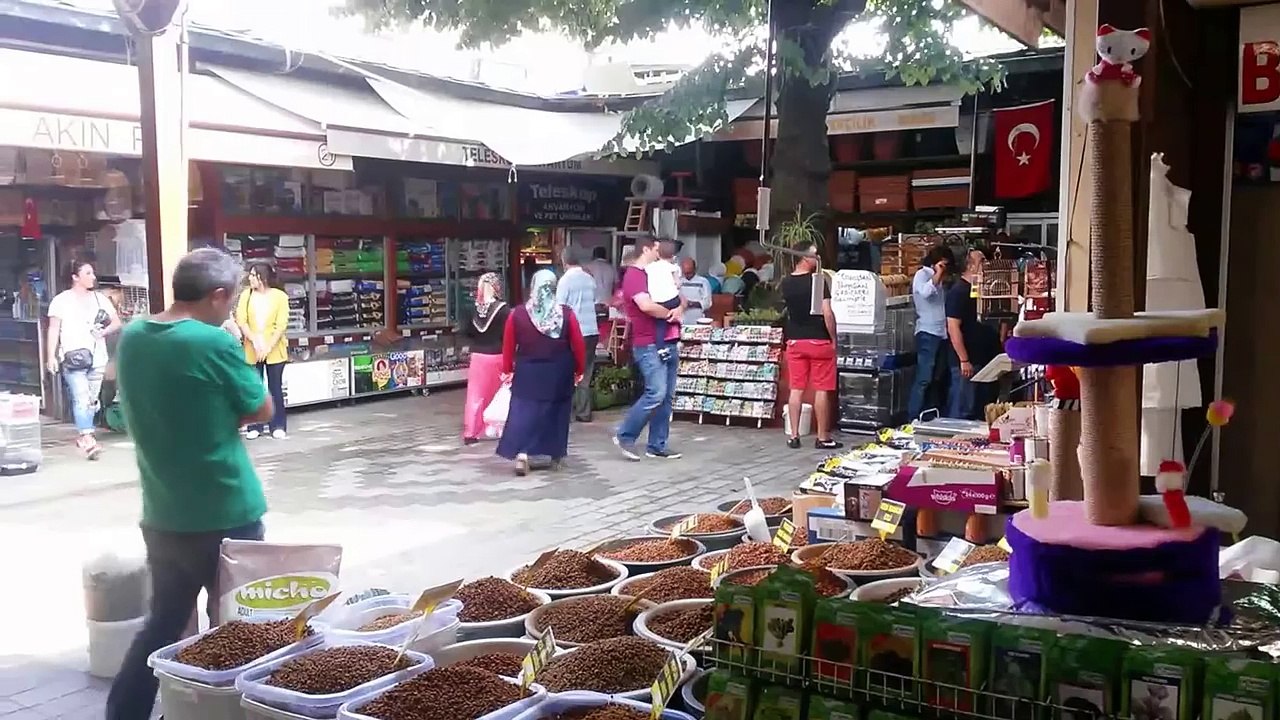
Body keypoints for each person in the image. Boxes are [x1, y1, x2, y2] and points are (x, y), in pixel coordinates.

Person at [106, 248, 273, 720]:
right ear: (218, 296)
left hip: (162, 512)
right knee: (241, 627)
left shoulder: (135, 335)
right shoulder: (210, 341)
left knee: (162, 622)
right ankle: (235, 711)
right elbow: (261, 407)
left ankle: (124, 711)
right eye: (233, 299)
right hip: (225, 509)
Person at [497, 269, 586, 476]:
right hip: (559, 371)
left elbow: (508, 345)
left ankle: (522, 454)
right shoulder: (566, 314)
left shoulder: (517, 314)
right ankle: (555, 455)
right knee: (556, 413)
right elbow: (578, 344)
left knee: (523, 412)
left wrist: (507, 369)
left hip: (528, 371)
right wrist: (579, 369)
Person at [614, 237, 682, 461]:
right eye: (655, 248)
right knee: (656, 392)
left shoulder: (655, 272)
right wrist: (670, 313)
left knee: (666, 396)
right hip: (648, 342)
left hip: (668, 339)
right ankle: (625, 435)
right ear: (645, 249)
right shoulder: (634, 275)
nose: (658, 252)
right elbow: (645, 306)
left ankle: (657, 444)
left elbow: (680, 296)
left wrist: (679, 307)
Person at [46, 257, 121, 460]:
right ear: (75, 277)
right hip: (73, 356)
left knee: (91, 401)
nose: (93, 277)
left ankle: (84, 434)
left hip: (97, 356)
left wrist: (103, 332)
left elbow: (116, 322)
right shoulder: (61, 301)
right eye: (88, 273)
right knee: (81, 397)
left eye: (92, 273)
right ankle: (87, 438)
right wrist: (50, 356)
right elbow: (53, 329)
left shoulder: (99, 299)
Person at [781, 243, 843, 451]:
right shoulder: (818, 281)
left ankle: (794, 435)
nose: (818, 258)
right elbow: (827, 312)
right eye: (815, 254)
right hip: (818, 340)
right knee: (821, 389)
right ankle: (823, 436)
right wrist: (833, 337)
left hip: (795, 341)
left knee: (796, 389)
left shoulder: (786, 282)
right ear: (804, 257)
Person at [234, 263, 290, 439]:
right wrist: (255, 343)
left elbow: (281, 324)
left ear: (263, 277)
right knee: (253, 387)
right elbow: (241, 320)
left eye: (253, 275)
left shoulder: (280, 296)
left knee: (275, 387)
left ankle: (278, 424)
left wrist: (267, 346)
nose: (250, 278)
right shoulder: (246, 296)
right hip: (252, 347)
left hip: (274, 348)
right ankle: (254, 426)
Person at [946, 248, 998, 420]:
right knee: (963, 407)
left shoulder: (982, 290)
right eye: (982, 261)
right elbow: (953, 327)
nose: (986, 264)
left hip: (983, 357)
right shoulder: (959, 291)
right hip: (968, 360)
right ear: (970, 266)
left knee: (978, 408)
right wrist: (964, 359)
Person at [462, 272, 510, 444]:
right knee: (498, 393)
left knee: (475, 395)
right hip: (498, 355)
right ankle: (496, 427)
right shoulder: (504, 309)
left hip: (478, 356)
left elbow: (466, 331)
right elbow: (509, 336)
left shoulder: (472, 309)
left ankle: (471, 433)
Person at [907, 246, 951, 420]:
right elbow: (925, 293)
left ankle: (931, 414)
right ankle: (913, 415)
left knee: (937, 377)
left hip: (941, 332)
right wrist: (937, 274)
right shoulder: (922, 275)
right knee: (924, 377)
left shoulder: (940, 281)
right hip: (927, 331)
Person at [557, 248, 600, 422]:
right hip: (591, 331)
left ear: (564, 261)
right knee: (585, 372)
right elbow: (595, 301)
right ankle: (584, 412)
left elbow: (560, 307)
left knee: (566, 371)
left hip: (574, 332)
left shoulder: (565, 281)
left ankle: (565, 411)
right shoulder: (589, 279)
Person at [644, 241, 684, 342]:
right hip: (671, 299)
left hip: (655, 299)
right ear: (673, 256)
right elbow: (678, 284)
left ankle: (659, 344)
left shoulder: (650, 266)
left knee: (659, 323)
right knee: (678, 309)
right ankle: (678, 329)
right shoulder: (674, 267)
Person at [677, 257, 713, 325]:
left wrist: (691, 304)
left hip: (697, 317)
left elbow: (707, 302)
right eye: (685, 273)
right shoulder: (679, 281)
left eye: (689, 273)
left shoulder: (703, 282)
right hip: (682, 317)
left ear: (695, 269)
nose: (687, 275)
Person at [587, 246, 616, 311]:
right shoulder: (612, 268)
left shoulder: (588, 267)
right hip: (608, 303)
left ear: (594, 255)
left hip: (593, 303)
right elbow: (616, 286)